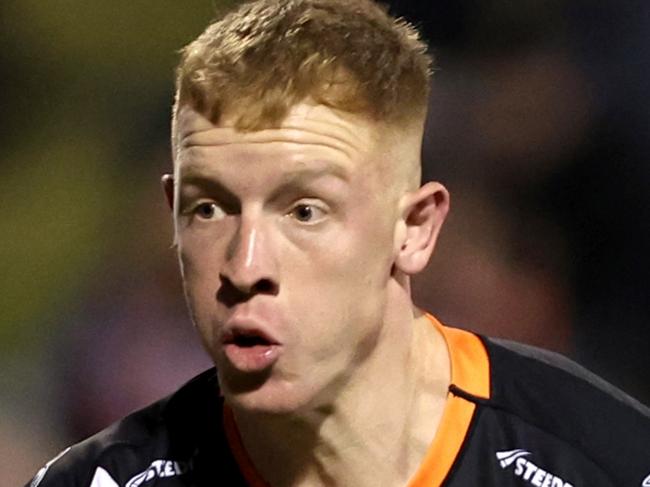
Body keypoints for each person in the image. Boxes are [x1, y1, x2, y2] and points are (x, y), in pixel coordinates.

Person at [26, 0, 650, 486]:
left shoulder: (602, 463)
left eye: (304, 211)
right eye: (209, 208)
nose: (245, 266)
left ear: (415, 229)